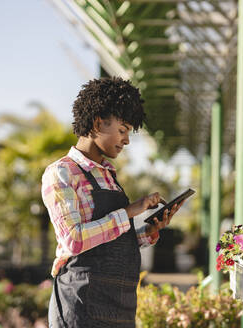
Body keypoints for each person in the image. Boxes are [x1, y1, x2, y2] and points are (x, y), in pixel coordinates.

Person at [41, 77, 184, 328]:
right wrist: (129, 211)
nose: (127, 140)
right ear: (97, 123)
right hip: (80, 306)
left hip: (119, 307)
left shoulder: (108, 175)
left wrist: (148, 232)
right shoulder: (61, 173)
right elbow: (74, 240)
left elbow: (109, 243)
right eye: (122, 130)